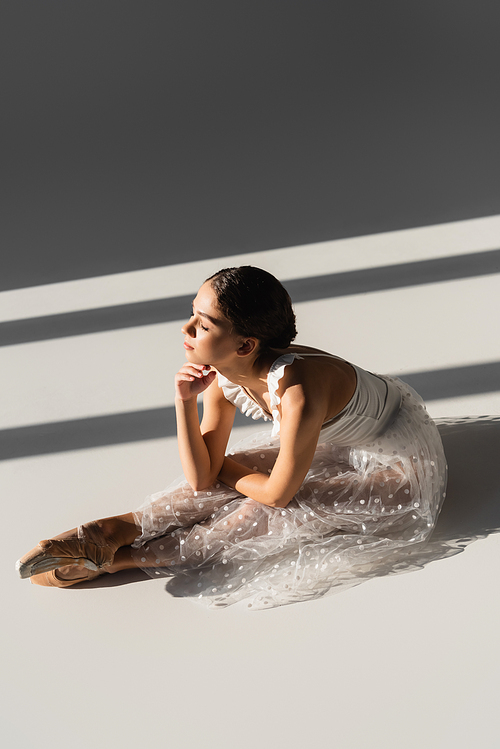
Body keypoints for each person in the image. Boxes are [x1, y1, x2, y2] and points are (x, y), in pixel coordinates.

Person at [17, 266, 447, 609]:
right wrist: (184, 402)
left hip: (400, 460)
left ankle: (122, 558)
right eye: (192, 314)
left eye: (202, 325)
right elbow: (204, 477)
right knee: (225, 479)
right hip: (335, 441)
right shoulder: (227, 373)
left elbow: (277, 495)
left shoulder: (298, 394)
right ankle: (118, 527)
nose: (186, 330)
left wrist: (222, 467)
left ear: (245, 345)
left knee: (274, 512)